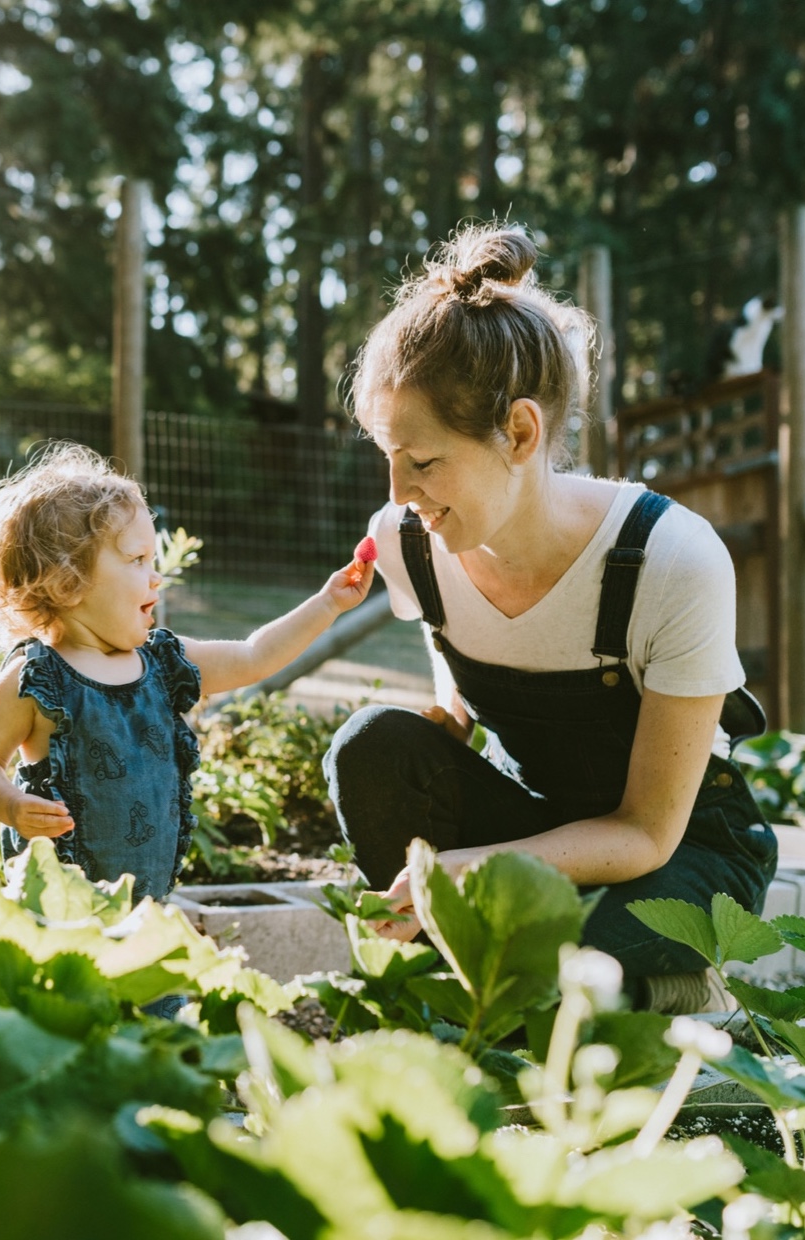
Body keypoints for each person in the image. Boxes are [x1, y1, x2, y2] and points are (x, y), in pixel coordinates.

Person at [323, 222, 777, 1014]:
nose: (398, 492)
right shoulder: (412, 544)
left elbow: (644, 833)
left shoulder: (671, 558)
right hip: (546, 825)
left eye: (423, 462)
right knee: (372, 746)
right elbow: (460, 665)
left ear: (522, 433)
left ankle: (669, 987)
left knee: (554, 935)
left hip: (678, 857)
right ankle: (483, 988)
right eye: (387, 456)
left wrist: (483, 870)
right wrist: (449, 725)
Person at [0, 442, 374, 912]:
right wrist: (11, 806)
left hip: (145, 908)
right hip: (57, 909)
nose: (156, 578)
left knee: (156, 985)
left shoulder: (163, 662)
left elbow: (255, 656)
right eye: (137, 561)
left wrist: (329, 603)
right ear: (66, 582)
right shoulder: (36, 680)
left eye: (154, 561)